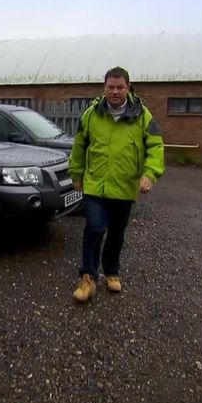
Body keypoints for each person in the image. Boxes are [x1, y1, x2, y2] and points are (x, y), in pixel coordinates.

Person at [68, 66, 165, 303]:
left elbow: (155, 146)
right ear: (104, 88)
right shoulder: (91, 114)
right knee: (95, 227)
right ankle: (88, 277)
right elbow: (79, 145)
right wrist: (76, 174)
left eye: (120, 87)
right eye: (110, 87)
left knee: (116, 234)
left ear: (128, 88)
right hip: (95, 185)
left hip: (124, 187)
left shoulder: (143, 115)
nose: (115, 91)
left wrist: (150, 174)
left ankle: (111, 271)